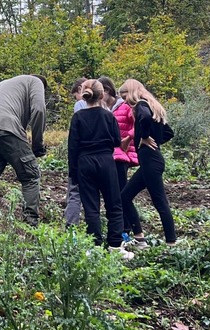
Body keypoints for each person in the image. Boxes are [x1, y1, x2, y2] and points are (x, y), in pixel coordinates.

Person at [68, 79, 134, 259]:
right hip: (106, 161)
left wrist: (73, 172)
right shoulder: (108, 116)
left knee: (91, 207)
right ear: (102, 94)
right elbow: (115, 141)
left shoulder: (78, 117)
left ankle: (95, 247)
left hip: (84, 163)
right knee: (114, 204)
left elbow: (72, 147)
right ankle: (115, 246)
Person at [0, 74, 48, 226]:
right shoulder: (36, 81)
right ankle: (30, 225)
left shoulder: (2, 84)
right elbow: (39, 109)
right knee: (30, 176)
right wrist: (37, 145)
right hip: (6, 126)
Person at [119, 79, 177, 246]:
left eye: (125, 97)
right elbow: (169, 133)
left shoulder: (141, 106)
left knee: (160, 202)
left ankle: (171, 243)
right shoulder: (152, 106)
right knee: (125, 197)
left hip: (150, 161)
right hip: (150, 161)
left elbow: (143, 117)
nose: (125, 101)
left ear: (132, 92)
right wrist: (155, 141)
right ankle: (139, 238)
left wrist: (144, 138)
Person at [98, 76, 142, 247]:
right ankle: (122, 229)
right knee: (113, 194)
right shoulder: (102, 108)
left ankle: (127, 230)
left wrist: (128, 138)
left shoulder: (124, 107)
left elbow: (138, 123)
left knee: (122, 194)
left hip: (122, 155)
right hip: (108, 156)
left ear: (107, 91)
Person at [65, 77, 88, 227]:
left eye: (76, 95)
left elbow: (76, 136)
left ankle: (71, 228)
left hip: (82, 156)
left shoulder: (80, 105)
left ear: (81, 88)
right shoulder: (107, 107)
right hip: (104, 159)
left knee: (74, 192)